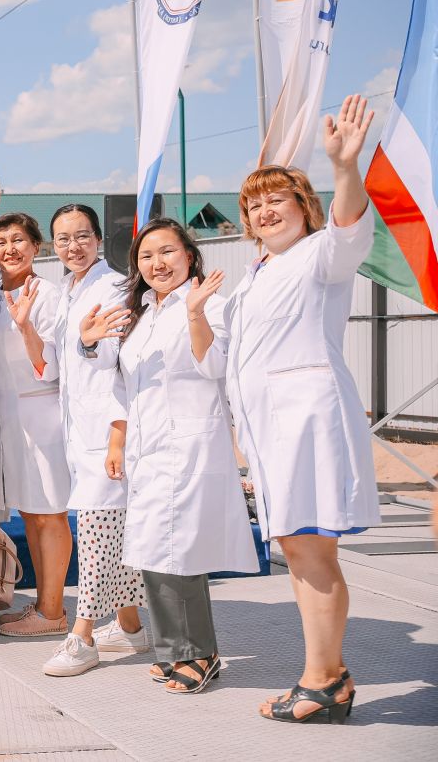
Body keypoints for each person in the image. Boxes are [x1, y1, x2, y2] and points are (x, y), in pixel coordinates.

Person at [226, 96, 377, 724]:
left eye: (277, 200)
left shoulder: (320, 255)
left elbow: (349, 228)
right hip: (271, 427)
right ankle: (324, 675)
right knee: (295, 545)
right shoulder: (258, 272)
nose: (265, 211)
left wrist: (346, 166)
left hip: (307, 418)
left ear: (304, 208)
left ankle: (324, 679)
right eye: (255, 205)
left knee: (312, 548)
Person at [87, 218, 257, 697]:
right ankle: (175, 652)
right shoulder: (140, 312)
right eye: (146, 256)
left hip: (190, 445)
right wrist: (117, 441)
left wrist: (197, 315)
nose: (156, 263)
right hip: (146, 449)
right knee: (157, 552)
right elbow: (119, 381)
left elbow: (215, 365)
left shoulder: (210, 303)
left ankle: (196, 654)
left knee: (180, 553)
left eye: (167, 252)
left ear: (189, 255)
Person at [42, 203, 146, 677]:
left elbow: (116, 362)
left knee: (97, 530)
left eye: (82, 236)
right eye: (63, 239)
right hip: (80, 428)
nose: (73, 247)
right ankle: (130, 627)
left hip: (108, 430)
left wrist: (117, 440)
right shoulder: (70, 288)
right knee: (113, 528)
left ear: (99, 239)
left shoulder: (114, 288)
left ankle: (82, 635)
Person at [0, 213, 72, 639]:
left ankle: (53, 611)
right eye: (1, 242)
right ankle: (42, 604)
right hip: (9, 419)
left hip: (43, 413)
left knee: (51, 514)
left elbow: (50, 365)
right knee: (31, 514)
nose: (10, 249)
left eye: (19, 240)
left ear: (37, 246)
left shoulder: (49, 295)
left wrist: (24, 326)